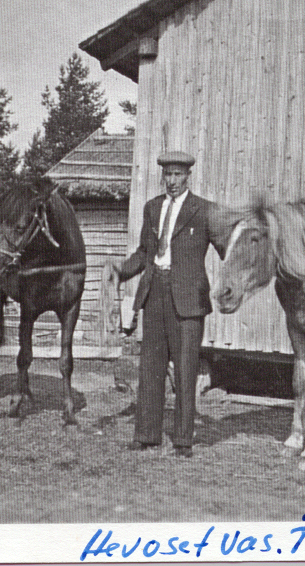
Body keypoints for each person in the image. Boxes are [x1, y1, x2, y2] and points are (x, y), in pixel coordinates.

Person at [111, 151, 227, 458]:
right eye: (168, 175)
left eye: (178, 175)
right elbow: (143, 253)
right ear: (163, 176)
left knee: (186, 368)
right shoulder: (152, 208)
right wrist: (120, 271)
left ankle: (183, 440)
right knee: (151, 367)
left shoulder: (204, 210)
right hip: (154, 294)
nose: (172, 181)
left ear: (188, 176)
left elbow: (228, 249)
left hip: (188, 300)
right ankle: (146, 434)